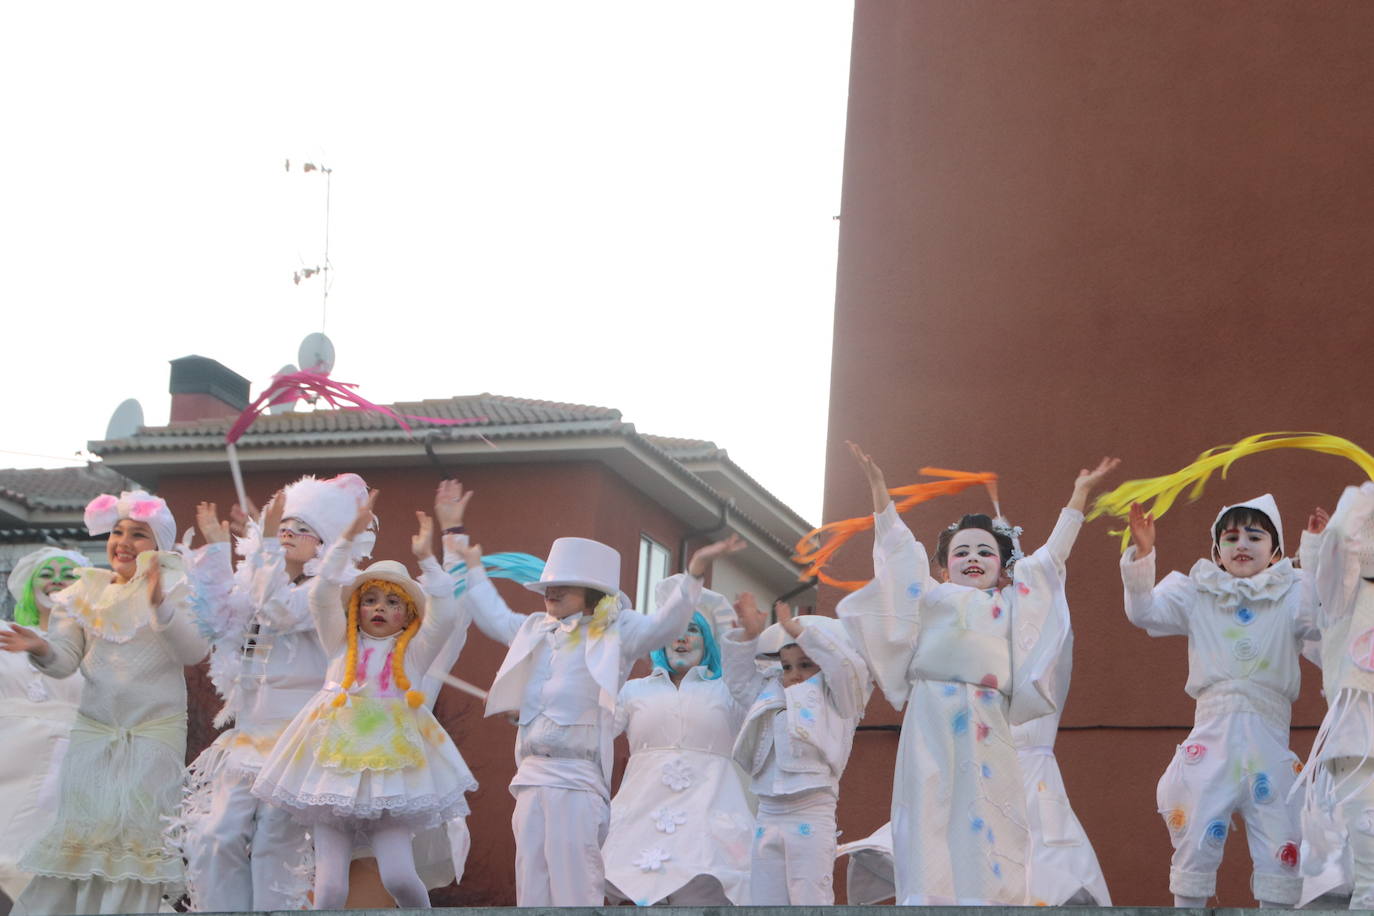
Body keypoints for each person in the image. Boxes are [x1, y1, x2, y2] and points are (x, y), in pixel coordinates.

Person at [837, 443, 1116, 905]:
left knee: (989, 808)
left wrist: (1077, 500)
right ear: (942, 565)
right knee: (928, 803)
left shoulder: (1010, 604)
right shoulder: (929, 598)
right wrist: (880, 494)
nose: (972, 557)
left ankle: (988, 900)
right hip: (932, 712)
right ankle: (927, 899)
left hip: (988, 718)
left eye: (985, 552)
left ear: (1004, 567)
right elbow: (898, 550)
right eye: (960, 551)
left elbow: (1049, 561)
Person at [452, 480, 745, 906]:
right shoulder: (535, 630)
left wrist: (695, 573)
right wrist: (471, 565)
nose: (550, 594)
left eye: (563, 587)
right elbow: (494, 616)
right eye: (550, 587)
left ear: (591, 594)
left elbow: (664, 626)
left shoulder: (617, 633)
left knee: (575, 886)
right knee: (531, 883)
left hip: (578, 777)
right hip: (531, 775)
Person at [251, 492, 477, 910]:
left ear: (408, 616)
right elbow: (321, 595)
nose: (379, 608)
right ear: (355, 608)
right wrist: (348, 537)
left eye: (392, 602)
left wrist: (427, 559)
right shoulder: (339, 642)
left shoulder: (413, 652)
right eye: (370, 599)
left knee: (399, 877)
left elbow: (445, 614)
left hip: (390, 773)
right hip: (332, 772)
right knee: (331, 888)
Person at [0, 491, 210, 916]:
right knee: (85, 837)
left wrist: (160, 607)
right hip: (93, 735)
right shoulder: (84, 591)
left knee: (134, 839)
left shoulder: (179, 585)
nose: (124, 542)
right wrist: (40, 646)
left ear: (159, 546)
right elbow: (63, 663)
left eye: (139, 534)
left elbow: (193, 652)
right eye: (118, 532)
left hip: (153, 734)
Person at [177, 473, 371, 911]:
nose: (288, 534)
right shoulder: (259, 581)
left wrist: (263, 545)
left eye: (303, 529)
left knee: (274, 845)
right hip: (251, 732)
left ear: (324, 543)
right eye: (285, 526)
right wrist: (213, 550)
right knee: (215, 835)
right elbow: (219, 621)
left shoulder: (333, 590)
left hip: (301, 737)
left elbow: (282, 610)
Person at [1122, 493, 1316, 907]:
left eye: (1254, 536)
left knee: (1281, 843)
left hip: (1269, 738)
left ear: (1276, 550)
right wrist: (1143, 553)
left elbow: (1322, 615)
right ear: (1216, 551)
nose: (1242, 545)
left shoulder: (1291, 593)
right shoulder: (1198, 592)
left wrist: (1314, 553)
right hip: (1212, 735)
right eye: (1230, 538)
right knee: (1196, 836)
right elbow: (1144, 612)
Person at [602, 579, 754, 906]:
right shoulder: (633, 690)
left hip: (709, 817)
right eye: (674, 630)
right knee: (636, 890)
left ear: (708, 641)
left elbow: (760, 704)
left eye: (693, 629)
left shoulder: (728, 690)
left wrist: (743, 637)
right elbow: (592, 728)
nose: (682, 638)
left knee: (701, 891)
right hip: (641, 814)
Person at [724, 595, 871, 905]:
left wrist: (801, 632)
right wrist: (749, 635)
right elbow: (738, 681)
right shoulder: (769, 693)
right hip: (768, 812)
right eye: (787, 666)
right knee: (764, 900)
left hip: (811, 810)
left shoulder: (840, 700)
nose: (795, 674)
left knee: (810, 897)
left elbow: (847, 669)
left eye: (806, 665)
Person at [1294, 483, 1374, 908]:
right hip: (1361, 746)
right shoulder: (1348, 599)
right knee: (1372, 882)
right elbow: (1341, 536)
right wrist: (1366, 494)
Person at [0, 548, 86, 903]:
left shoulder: (97, 643)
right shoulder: (6, 633)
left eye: (68, 574)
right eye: (46, 573)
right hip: (9, 754)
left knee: (35, 857)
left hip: (67, 761)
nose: (56, 580)